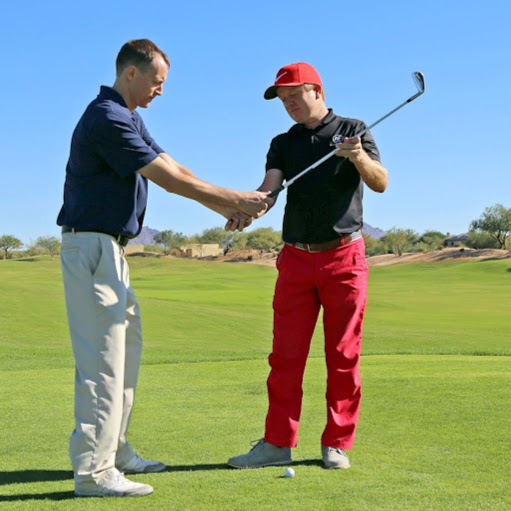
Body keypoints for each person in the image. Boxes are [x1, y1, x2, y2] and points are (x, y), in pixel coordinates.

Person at [57, 39, 268, 498]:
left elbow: (174, 164)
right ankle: (94, 473)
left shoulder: (130, 116)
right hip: (92, 248)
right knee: (102, 365)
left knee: (124, 356)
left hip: (110, 251)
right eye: (157, 82)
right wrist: (234, 199)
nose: (160, 91)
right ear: (130, 73)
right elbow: (166, 179)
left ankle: (116, 450)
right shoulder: (106, 117)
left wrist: (224, 208)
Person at [227, 62, 388, 470]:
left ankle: (336, 443)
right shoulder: (283, 142)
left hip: (343, 257)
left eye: (295, 95)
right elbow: (269, 189)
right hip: (296, 258)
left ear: (317, 90)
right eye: (283, 100)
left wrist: (357, 157)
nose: (289, 105)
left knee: (343, 355)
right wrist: (249, 208)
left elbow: (380, 181)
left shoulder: (354, 129)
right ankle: (277, 443)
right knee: (285, 356)